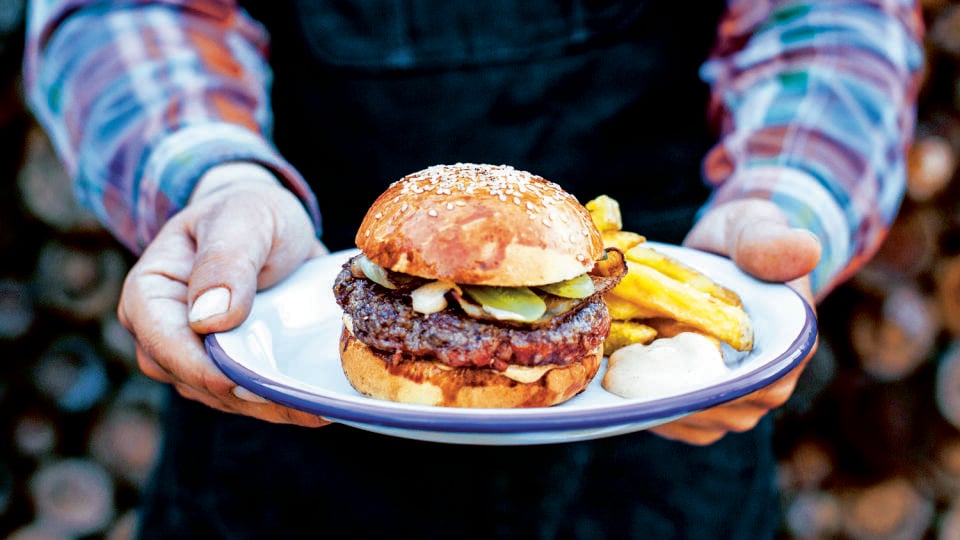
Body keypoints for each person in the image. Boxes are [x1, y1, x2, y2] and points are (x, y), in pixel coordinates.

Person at [23, 1, 924, 538]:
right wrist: (213, 173)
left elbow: (836, 15)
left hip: (657, 425)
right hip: (282, 413)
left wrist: (783, 204)